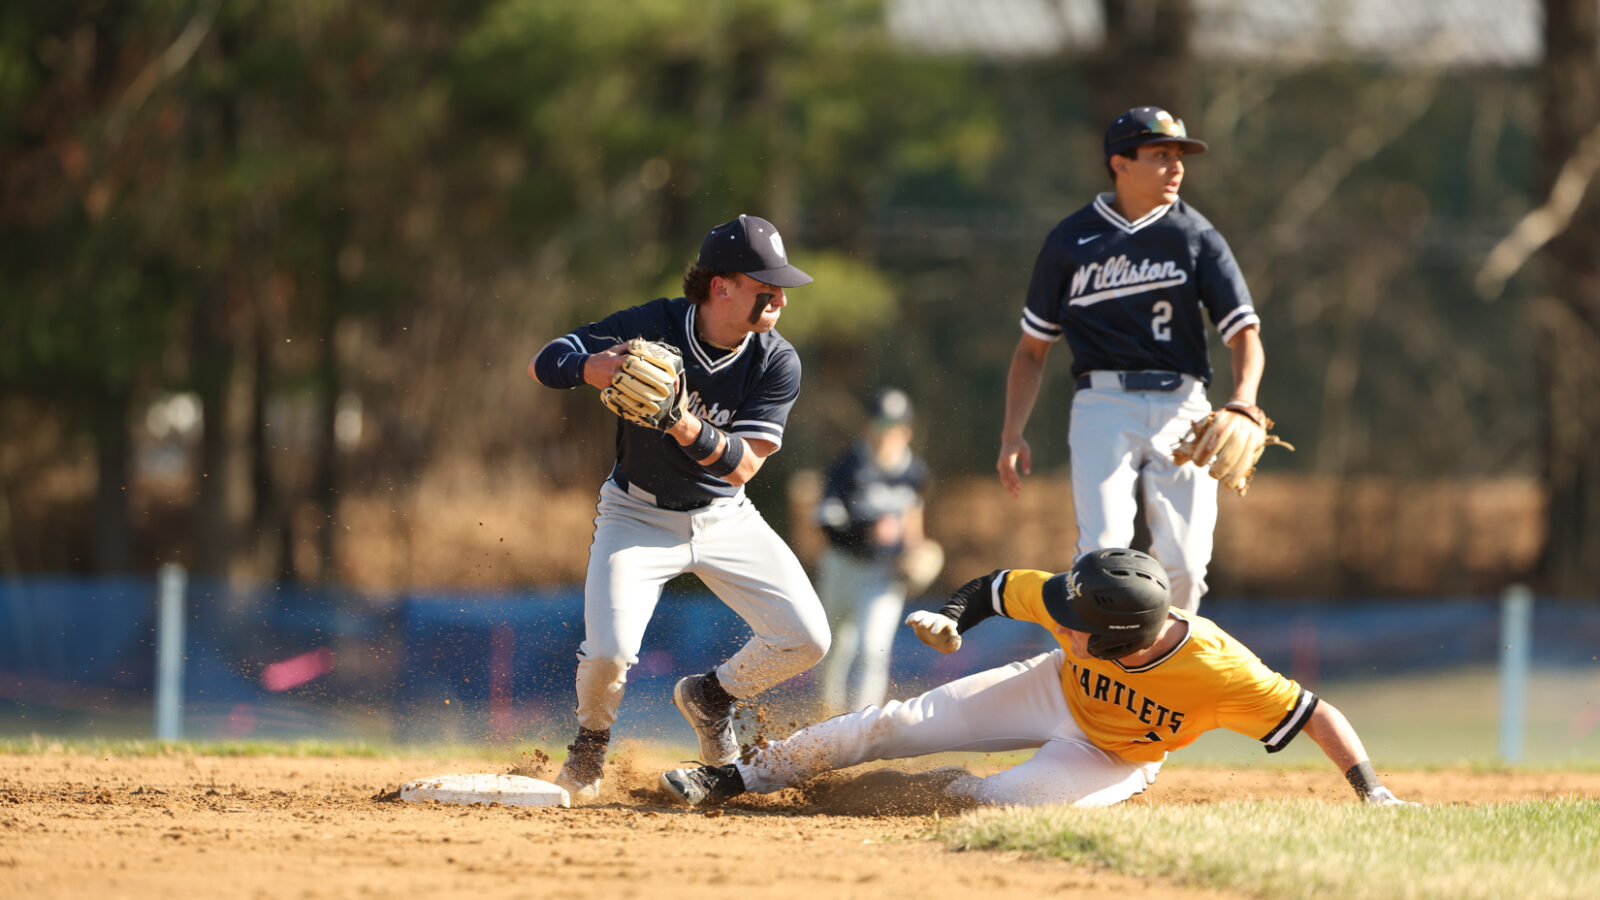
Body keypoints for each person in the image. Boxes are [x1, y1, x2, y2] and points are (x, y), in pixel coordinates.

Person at [660, 548, 1415, 810]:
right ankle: (733, 779)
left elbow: (1317, 712)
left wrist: (1372, 791)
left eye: (1074, 620)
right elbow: (998, 588)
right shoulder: (1082, 611)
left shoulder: (1219, 673)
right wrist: (955, 616)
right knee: (893, 723)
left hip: (1115, 754)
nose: (1059, 613)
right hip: (1056, 687)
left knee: (994, 802)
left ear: (1118, 638)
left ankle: (910, 792)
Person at [529, 214, 830, 802]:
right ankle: (589, 748)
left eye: (782, 289)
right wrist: (592, 367)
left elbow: (742, 466)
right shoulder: (655, 326)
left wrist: (676, 421)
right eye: (765, 287)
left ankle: (711, 697)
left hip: (726, 516)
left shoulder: (775, 360)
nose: (779, 300)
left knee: (807, 639)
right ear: (721, 286)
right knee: (610, 653)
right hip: (637, 514)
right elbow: (549, 359)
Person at [997, 106, 1267, 613]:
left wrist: (1243, 402)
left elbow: (1245, 333)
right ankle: (1100, 674)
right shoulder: (1071, 241)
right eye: (1160, 155)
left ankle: (1168, 673)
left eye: (1180, 155)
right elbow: (1032, 350)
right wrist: (1013, 432)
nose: (1177, 167)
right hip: (1103, 403)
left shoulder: (1196, 237)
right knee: (1102, 555)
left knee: (1185, 565)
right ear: (1119, 163)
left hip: (1184, 408)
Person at [814, 388, 934, 713]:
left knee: (873, 648)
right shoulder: (847, 466)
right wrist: (866, 531)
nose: (887, 434)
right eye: (881, 424)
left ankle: (861, 724)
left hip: (883, 572)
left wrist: (917, 551)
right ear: (868, 426)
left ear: (907, 430)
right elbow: (826, 523)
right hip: (842, 565)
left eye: (895, 425)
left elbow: (912, 519)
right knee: (833, 645)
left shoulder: (914, 473)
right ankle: (828, 712)